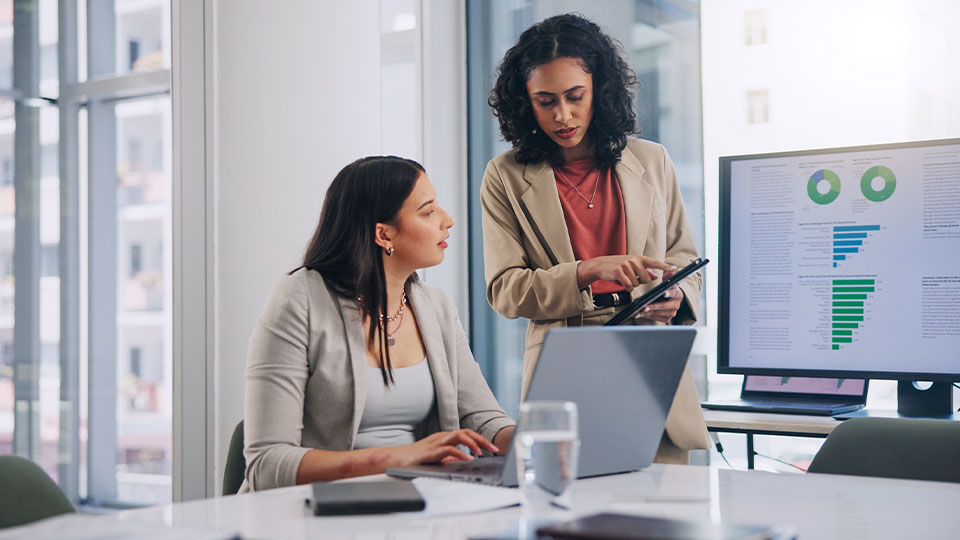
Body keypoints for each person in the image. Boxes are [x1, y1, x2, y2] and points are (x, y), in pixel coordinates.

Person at [481, 13, 708, 463]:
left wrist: (676, 295)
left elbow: (685, 261)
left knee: (661, 511)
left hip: (648, 359)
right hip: (564, 365)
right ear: (525, 103)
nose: (562, 115)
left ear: (598, 91)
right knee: (563, 512)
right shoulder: (504, 176)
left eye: (574, 97)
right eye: (545, 102)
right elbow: (504, 290)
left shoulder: (652, 160)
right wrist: (587, 271)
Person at [241, 156, 515, 492]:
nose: (448, 220)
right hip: (313, 512)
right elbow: (266, 464)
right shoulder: (300, 300)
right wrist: (399, 458)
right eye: (428, 212)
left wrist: (537, 438)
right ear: (384, 234)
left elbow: (484, 420)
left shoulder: (436, 305)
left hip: (416, 506)